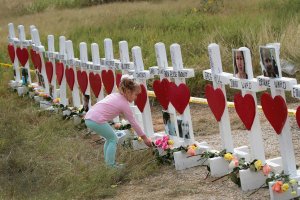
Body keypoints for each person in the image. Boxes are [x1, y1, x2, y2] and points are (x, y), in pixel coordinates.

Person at [84, 76, 152, 167]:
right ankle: (111, 166)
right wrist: (144, 138)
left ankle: (108, 164)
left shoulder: (114, 95)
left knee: (110, 138)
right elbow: (133, 122)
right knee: (113, 139)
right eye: (135, 94)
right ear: (128, 92)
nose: (136, 97)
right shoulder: (124, 104)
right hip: (96, 120)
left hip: (89, 117)